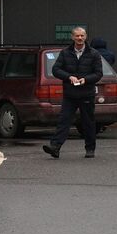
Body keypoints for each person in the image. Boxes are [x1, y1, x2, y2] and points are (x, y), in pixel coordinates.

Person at [43, 27, 103, 159]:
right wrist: (69, 77)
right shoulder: (65, 53)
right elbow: (56, 69)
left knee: (88, 122)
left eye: (82, 36)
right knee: (63, 121)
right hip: (70, 95)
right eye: (77, 36)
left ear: (86, 36)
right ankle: (55, 147)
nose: (80, 38)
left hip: (86, 94)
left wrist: (85, 80)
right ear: (72, 37)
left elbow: (98, 73)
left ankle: (90, 149)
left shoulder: (94, 54)